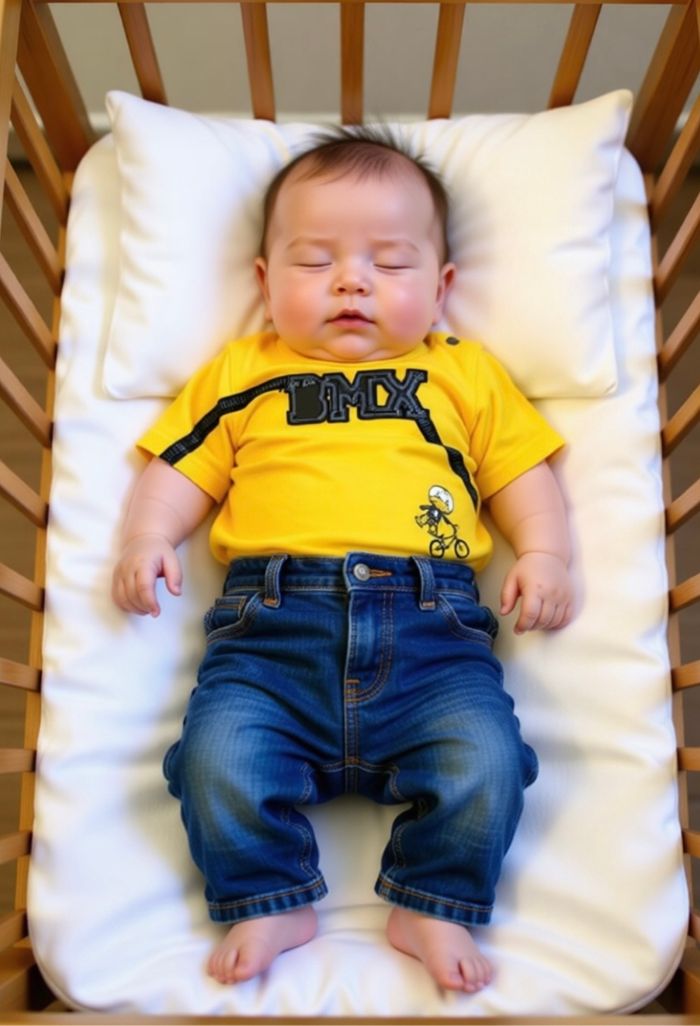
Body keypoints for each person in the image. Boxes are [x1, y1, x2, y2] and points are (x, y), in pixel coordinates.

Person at [112, 126, 573, 994]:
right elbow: (179, 469)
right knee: (217, 758)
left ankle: (431, 899)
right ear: (264, 282)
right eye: (315, 260)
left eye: (389, 263)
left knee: (487, 761)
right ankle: (269, 895)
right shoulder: (241, 373)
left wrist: (545, 551)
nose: (352, 280)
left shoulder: (464, 375)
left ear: (441, 288)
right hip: (271, 637)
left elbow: (521, 474)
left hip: (432, 635)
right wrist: (147, 537)